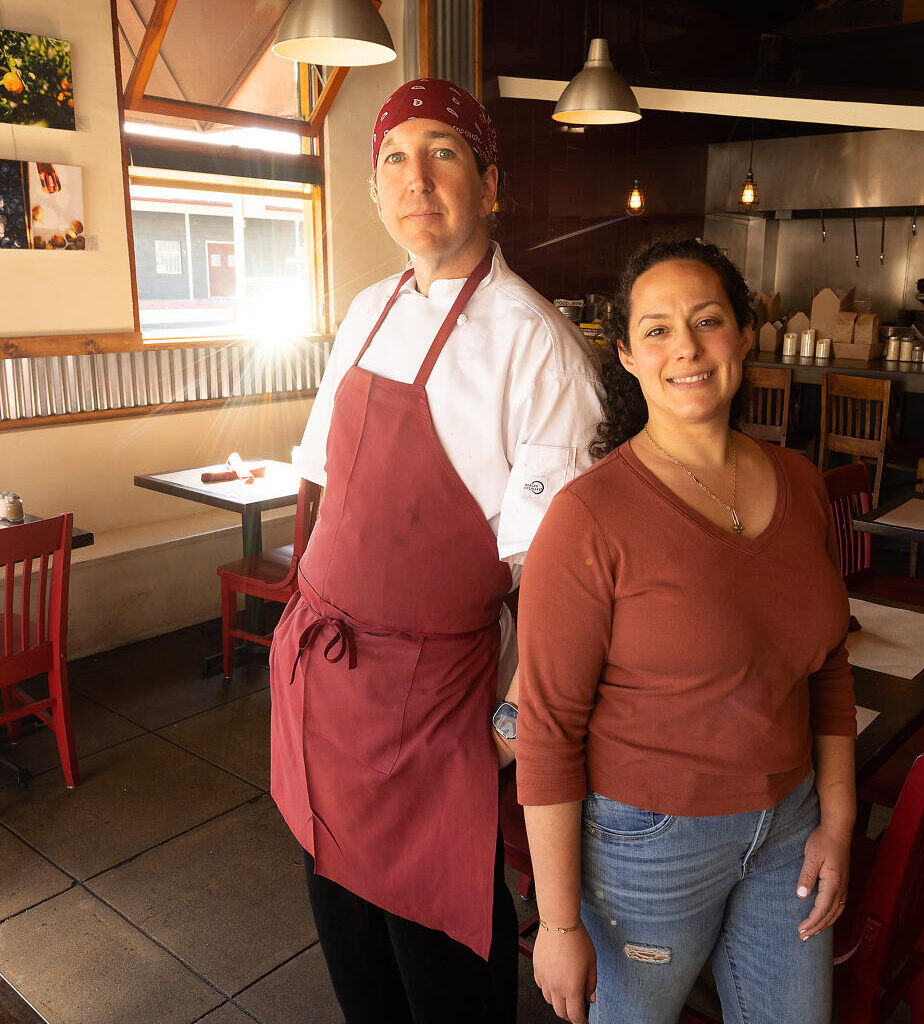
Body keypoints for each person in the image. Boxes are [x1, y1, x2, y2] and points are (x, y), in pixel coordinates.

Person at [269, 78, 604, 1024]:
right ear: (375, 193)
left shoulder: (537, 348)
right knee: (343, 925)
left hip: (431, 707)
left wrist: (505, 727)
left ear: (490, 184)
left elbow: (558, 583)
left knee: (440, 950)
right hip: (326, 685)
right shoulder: (367, 308)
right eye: (393, 159)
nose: (416, 179)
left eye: (443, 153)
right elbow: (329, 485)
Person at [515, 238, 856, 1024]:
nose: (686, 348)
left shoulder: (801, 483)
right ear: (628, 356)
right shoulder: (589, 515)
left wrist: (835, 825)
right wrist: (560, 924)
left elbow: (828, 669)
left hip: (789, 823)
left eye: (707, 320)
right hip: (649, 843)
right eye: (658, 329)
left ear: (744, 336)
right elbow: (548, 729)